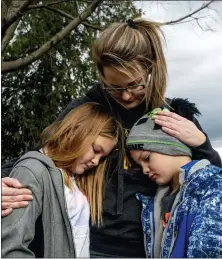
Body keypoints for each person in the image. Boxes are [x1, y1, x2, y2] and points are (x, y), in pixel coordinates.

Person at [2, 18, 221, 257]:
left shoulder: (173, 115)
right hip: (93, 246)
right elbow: (44, 154)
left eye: (134, 85)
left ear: (150, 68)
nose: (126, 96)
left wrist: (201, 144)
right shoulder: (86, 110)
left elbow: (212, 183)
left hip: (153, 248)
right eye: (114, 87)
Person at [1, 102, 123, 258]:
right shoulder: (32, 171)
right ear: (76, 131)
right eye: (96, 150)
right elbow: (9, 248)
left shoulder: (74, 178)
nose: (96, 162)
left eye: (102, 157)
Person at [126, 98, 222, 258]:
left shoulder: (210, 188)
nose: (144, 170)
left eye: (147, 158)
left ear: (171, 146)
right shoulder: (158, 199)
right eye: (139, 165)